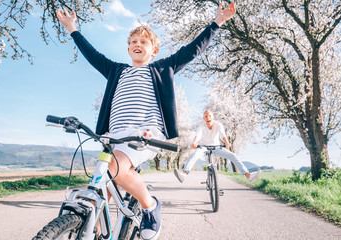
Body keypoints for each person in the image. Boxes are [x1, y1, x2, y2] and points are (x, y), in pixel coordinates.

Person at [56, 2, 236, 240]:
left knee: (115, 168)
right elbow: (92, 54)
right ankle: (95, 232)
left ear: (153, 51)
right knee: (101, 187)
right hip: (115, 137)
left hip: (145, 135)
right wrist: (72, 28)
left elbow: (193, 49)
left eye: (143, 42)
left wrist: (217, 23)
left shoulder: (162, 68)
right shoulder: (116, 70)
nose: (136, 44)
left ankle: (150, 206)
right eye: (132, 42)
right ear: (128, 49)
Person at [174, 110, 261, 183]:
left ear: (212, 117)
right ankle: (184, 174)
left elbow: (222, 134)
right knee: (195, 154)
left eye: (209, 116)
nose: (208, 118)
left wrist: (227, 143)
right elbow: (198, 135)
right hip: (203, 147)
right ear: (204, 118)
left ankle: (248, 175)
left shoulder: (218, 125)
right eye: (206, 116)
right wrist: (194, 142)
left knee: (232, 155)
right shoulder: (201, 126)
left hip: (216, 147)